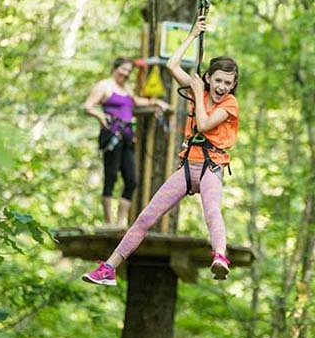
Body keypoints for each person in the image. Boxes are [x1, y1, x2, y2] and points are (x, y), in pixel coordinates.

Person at [82, 17, 239, 285]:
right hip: (188, 167)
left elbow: (202, 124)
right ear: (209, 77)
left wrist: (198, 90)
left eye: (228, 83)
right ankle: (109, 267)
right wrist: (192, 35)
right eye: (219, 81)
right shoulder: (198, 89)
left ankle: (220, 257)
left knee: (212, 210)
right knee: (145, 218)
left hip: (211, 168)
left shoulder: (230, 105)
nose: (223, 88)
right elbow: (171, 65)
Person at [84, 57, 170, 227]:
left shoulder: (126, 89)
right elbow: (88, 106)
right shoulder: (104, 86)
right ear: (115, 68)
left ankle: (121, 222)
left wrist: (156, 102)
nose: (125, 73)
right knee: (111, 177)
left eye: (128, 71)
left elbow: (136, 101)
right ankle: (109, 222)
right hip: (112, 135)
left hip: (128, 136)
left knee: (131, 180)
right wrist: (101, 117)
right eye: (123, 69)